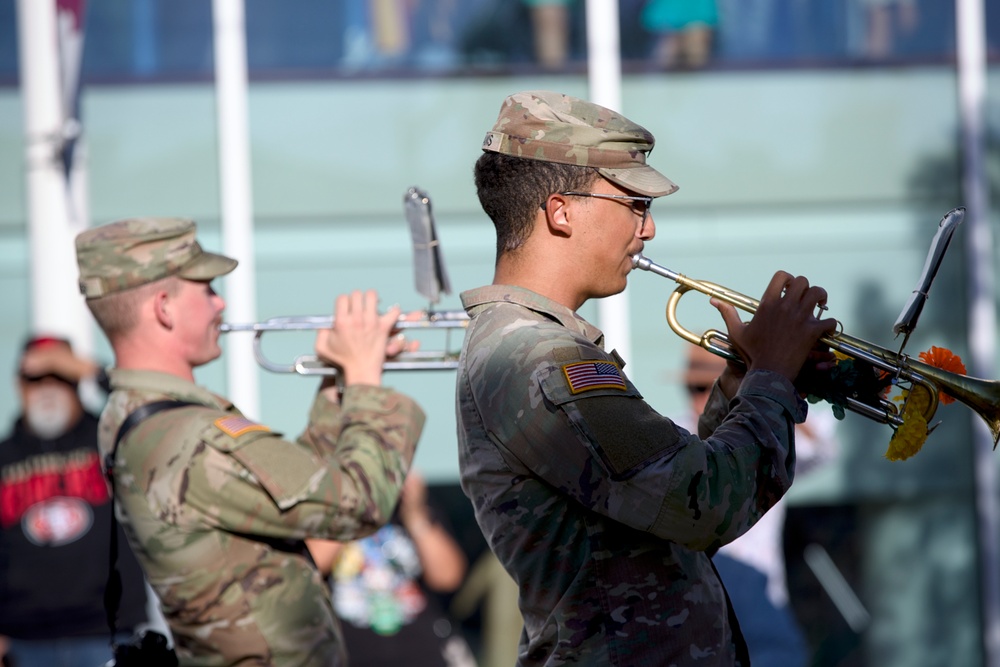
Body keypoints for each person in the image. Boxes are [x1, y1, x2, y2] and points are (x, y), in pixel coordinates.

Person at [456, 90, 838, 665]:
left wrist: (743, 379)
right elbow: (705, 503)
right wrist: (773, 381)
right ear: (561, 211)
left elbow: (671, 484)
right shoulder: (542, 358)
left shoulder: (537, 348)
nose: (649, 228)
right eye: (635, 203)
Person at [73, 216, 426, 666]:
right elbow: (357, 505)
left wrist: (340, 384)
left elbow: (298, 494)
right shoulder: (189, 438)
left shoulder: (144, 418)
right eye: (206, 289)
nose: (220, 304)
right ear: (163, 307)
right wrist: (365, 383)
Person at [0, 335, 148, 667]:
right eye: (36, 378)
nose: (48, 388)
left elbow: (149, 408)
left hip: (108, 635)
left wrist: (90, 368)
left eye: (61, 376)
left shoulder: (111, 439)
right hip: (24, 644)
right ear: (18, 386)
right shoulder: (4, 458)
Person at [307, 470, 477, 667]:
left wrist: (416, 516)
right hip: (349, 654)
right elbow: (310, 566)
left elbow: (448, 577)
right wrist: (353, 510)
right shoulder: (328, 508)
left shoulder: (410, 507)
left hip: (422, 653)